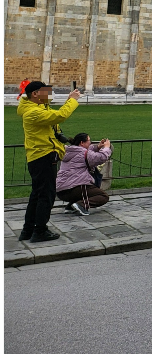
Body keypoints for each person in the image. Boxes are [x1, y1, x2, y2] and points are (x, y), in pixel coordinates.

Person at [18, 81, 81, 242]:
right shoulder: (32, 112)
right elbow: (60, 115)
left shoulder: (37, 108)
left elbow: (53, 116)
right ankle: (40, 231)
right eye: (46, 91)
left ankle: (28, 230)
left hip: (40, 156)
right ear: (35, 94)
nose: (50, 94)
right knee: (46, 195)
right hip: (43, 156)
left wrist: (68, 100)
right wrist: (73, 100)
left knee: (37, 195)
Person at [55, 133, 112, 216]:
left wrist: (98, 147)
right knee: (103, 196)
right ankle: (82, 205)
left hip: (61, 190)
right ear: (82, 143)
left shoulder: (68, 151)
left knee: (85, 191)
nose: (90, 143)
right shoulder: (83, 153)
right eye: (89, 141)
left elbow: (87, 151)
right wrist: (107, 147)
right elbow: (101, 157)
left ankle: (70, 206)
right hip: (76, 188)